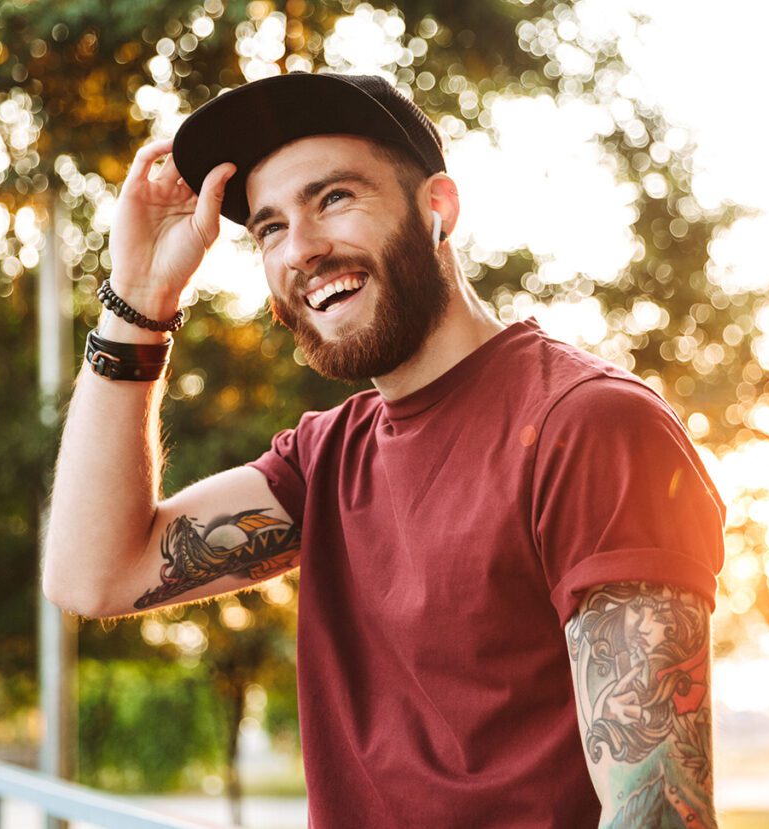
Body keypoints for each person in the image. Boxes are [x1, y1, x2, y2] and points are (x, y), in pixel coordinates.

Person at [43, 72, 726, 828]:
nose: (302, 248)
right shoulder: (326, 459)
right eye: (269, 228)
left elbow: (659, 811)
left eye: (334, 198)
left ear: (438, 208)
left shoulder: (588, 425)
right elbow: (93, 576)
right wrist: (139, 300)